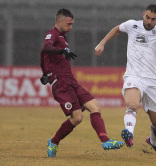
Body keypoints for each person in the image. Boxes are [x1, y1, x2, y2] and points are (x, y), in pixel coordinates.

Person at [95, 4, 156, 154]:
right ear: (143, 14)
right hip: (133, 76)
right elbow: (117, 29)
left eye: (153, 19)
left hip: (151, 82)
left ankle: (153, 141)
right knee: (132, 104)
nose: (149, 21)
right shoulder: (132, 25)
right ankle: (129, 133)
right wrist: (102, 43)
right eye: (147, 17)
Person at [40, 8, 124, 157]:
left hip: (71, 81)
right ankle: (53, 142)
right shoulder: (51, 34)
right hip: (61, 84)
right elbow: (45, 48)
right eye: (68, 24)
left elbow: (45, 54)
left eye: (72, 24)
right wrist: (50, 68)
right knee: (77, 118)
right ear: (59, 21)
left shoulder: (62, 36)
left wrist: (45, 71)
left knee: (95, 106)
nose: (70, 27)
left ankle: (106, 141)